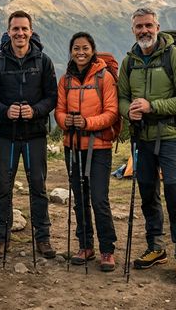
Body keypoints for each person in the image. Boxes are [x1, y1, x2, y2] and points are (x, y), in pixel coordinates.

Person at [117, 7, 176, 284]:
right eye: (139, 26)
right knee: (148, 194)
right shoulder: (129, 62)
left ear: (158, 26)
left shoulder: (175, 57)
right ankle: (156, 247)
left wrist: (153, 107)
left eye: (148, 25)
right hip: (143, 139)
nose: (144, 31)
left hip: (172, 137)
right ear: (133, 30)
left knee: (175, 195)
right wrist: (130, 111)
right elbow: (122, 98)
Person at [0, 10, 58, 259]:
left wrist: (35, 110)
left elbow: (52, 97)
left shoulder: (43, 61)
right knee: (4, 187)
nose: (20, 33)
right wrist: (6, 111)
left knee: (38, 186)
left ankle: (43, 239)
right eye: (15, 29)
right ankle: (1, 238)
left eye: (24, 29)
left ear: (31, 30)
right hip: (6, 134)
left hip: (35, 134)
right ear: (8, 32)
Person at [55, 32, 119, 272]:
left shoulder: (105, 78)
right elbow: (58, 111)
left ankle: (107, 249)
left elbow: (112, 112)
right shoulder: (66, 80)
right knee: (79, 198)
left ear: (92, 50)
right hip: (72, 145)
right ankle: (85, 245)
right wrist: (66, 121)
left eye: (85, 48)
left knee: (99, 199)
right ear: (71, 51)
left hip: (99, 147)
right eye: (76, 48)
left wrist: (87, 123)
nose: (80, 52)